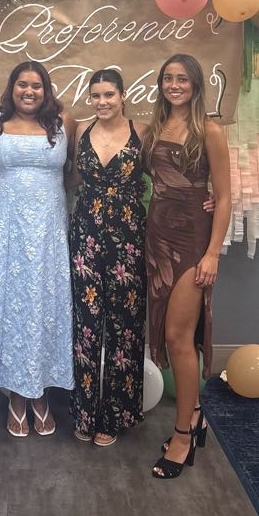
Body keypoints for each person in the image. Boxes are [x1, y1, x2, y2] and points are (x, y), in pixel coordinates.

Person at [0, 60, 75, 437]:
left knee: (43, 306)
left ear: (46, 91)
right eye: (22, 84)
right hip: (4, 231)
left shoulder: (65, 124)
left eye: (36, 86)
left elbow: (73, 173)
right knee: (9, 305)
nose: (29, 91)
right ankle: (15, 395)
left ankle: (40, 393)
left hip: (47, 233)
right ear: (11, 88)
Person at [142, 53, 231, 479]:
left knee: (179, 336)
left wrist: (212, 253)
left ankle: (182, 436)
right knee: (172, 334)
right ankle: (195, 414)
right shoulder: (155, 127)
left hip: (193, 241)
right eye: (167, 78)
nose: (174, 85)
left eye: (182, 79)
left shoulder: (209, 130)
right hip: (157, 239)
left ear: (195, 84)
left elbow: (225, 197)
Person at [69, 69, 147, 447]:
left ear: (123, 95)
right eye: (96, 95)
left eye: (109, 94)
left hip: (128, 239)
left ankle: (114, 415)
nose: (102, 101)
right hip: (85, 236)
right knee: (86, 325)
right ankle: (85, 412)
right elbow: (70, 180)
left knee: (124, 326)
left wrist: (205, 197)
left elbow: (165, 177)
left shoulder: (142, 131)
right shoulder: (79, 130)